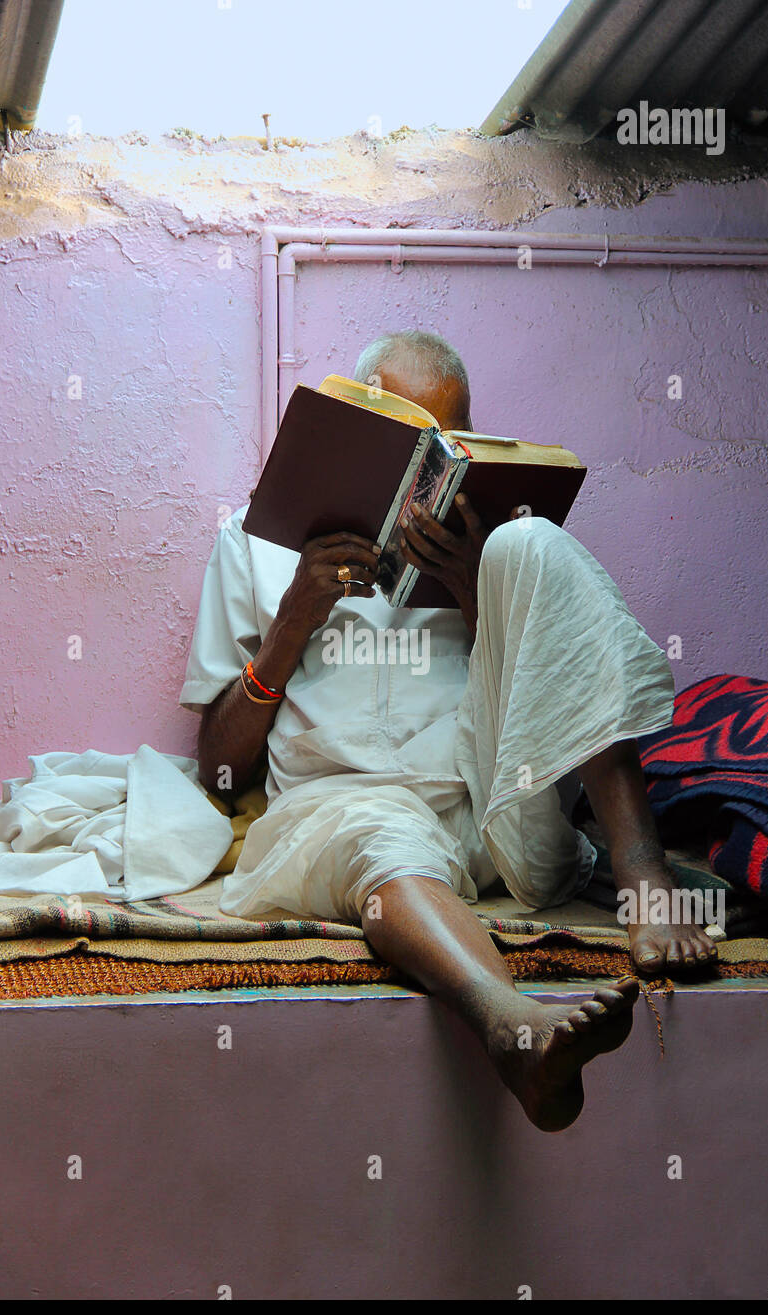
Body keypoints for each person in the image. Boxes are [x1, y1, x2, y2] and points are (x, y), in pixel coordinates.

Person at [180, 331, 717, 1131]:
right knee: (380, 829)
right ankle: (512, 1025)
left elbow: (545, 688)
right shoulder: (251, 543)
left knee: (533, 541)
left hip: (495, 818)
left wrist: (477, 593)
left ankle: (641, 873)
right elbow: (217, 767)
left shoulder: (480, 539)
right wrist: (292, 622)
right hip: (345, 812)